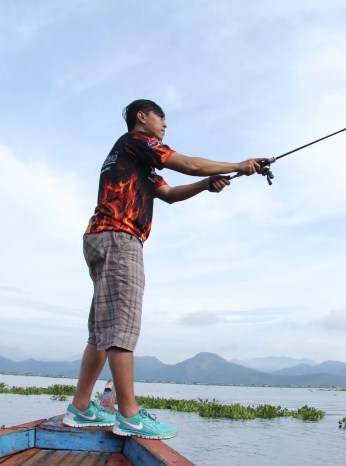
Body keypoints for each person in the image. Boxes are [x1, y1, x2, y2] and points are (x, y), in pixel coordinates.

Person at [62, 99, 264, 439]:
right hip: (120, 238)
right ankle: (130, 416)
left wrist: (206, 184)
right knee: (122, 326)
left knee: (101, 332)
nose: (165, 125)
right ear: (142, 117)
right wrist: (239, 165)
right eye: (161, 118)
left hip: (101, 238)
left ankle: (81, 407)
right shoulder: (137, 141)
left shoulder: (134, 160)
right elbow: (188, 164)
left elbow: (169, 193)